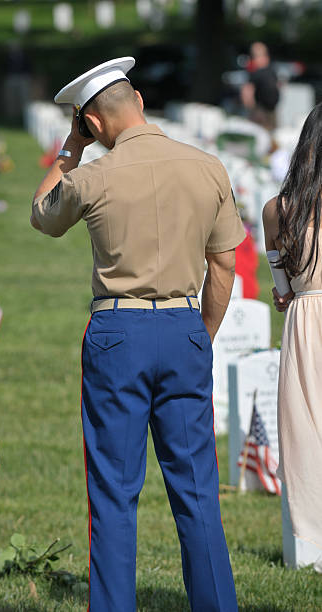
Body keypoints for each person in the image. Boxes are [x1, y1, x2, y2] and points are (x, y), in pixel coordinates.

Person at [31, 57, 246, 611]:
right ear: (140, 102)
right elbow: (224, 263)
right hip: (184, 325)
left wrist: (69, 151)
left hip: (117, 331)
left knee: (113, 494)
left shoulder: (92, 175)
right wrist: (201, 334)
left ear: (92, 123)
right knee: (198, 493)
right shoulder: (208, 166)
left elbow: (42, 215)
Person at [263, 102, 322, 552]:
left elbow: (281, 289)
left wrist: (293, 288)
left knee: (309, 428)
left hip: (306, 319)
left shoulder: (278, 210)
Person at [241, 42, 279, 131]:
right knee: (260, 134)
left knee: (272, 133)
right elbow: (247, 90)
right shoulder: (255, 72)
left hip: (271, 109)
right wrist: (252, 109)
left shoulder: (270, 69)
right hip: (260, 110)